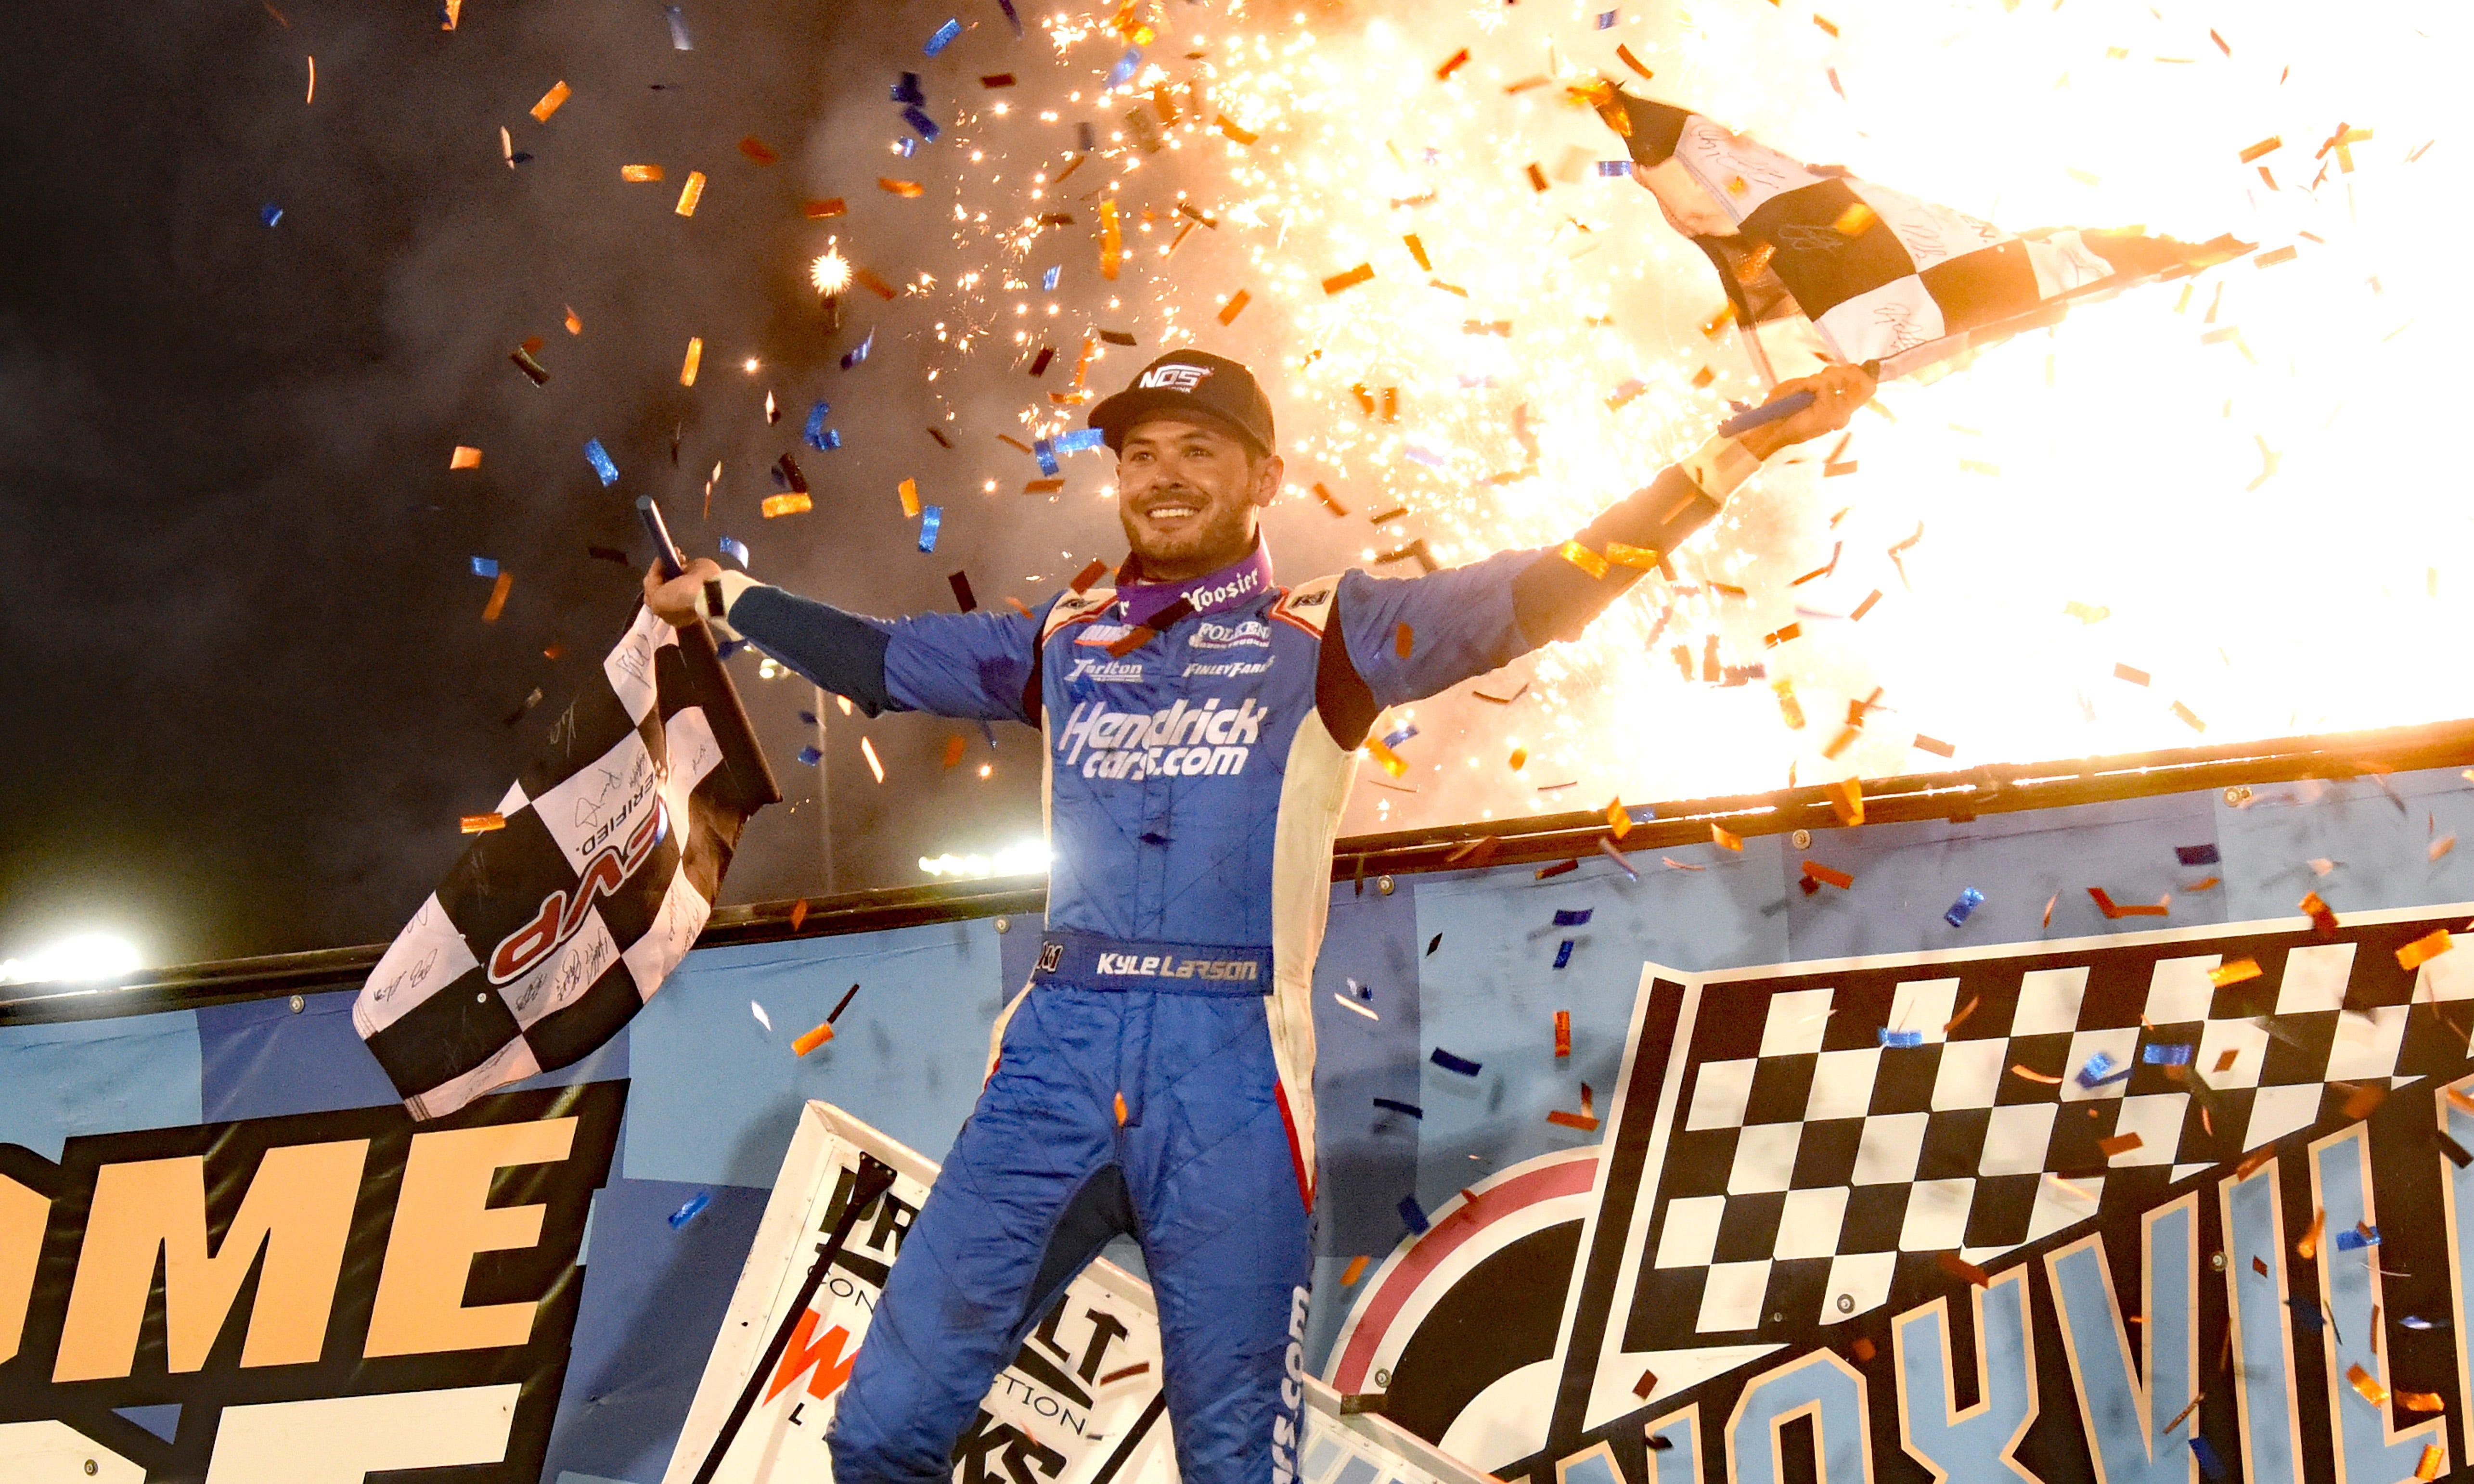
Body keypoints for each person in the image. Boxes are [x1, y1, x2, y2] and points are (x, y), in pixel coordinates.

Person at [644, 349, 1873, 1484]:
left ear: (1263, 477)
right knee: (879, 1429)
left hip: (1229, 1074)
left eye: (1198, 451)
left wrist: (1728, 457)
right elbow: (880, 658)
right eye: (1138, 456)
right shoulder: (1065, 640)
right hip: (1056, 1056)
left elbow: (1541, 593)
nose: (1163, 479)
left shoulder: (1330, 630)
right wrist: (728, 598)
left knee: (1234, 1464)